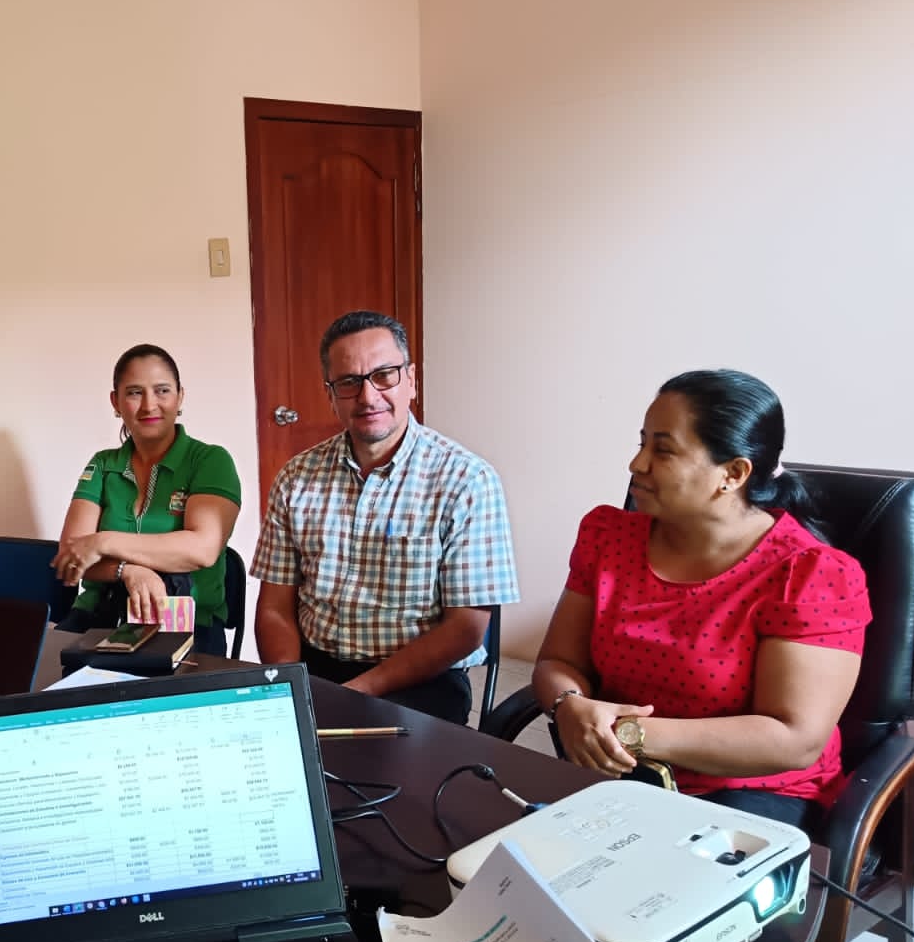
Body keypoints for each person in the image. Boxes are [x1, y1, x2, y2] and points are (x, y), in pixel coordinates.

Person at [530, 370, 872, 831]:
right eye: (641, 443)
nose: (637, 464)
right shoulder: (607, 536)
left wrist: (627, 733)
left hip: (751, 793)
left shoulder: (810, 574)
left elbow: (794, 739)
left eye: (663, 450)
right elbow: (557, 660)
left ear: (733, 474)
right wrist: (568, 704)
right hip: (620, 776)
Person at [252, 310, 519, 724]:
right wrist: (288, 687)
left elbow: (466, 627)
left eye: (384, 375)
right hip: (314, 669)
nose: (367, 396)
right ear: (330, 394)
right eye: (349, 382)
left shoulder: (467, 480)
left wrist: (358, 692)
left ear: (411, 379)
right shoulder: (296, 477)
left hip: (421, 680)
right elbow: (274, 608)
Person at [51, 344, 242, 656]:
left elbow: (202, 549)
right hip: (99, 620)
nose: (149, 405)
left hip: (185, 626)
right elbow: (72, 556)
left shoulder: (210, 460)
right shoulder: (102, 464)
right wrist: (127, 570)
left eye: (162, 390)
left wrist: (102, 542)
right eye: (134, 392)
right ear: (115, 402)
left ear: (180, 397)